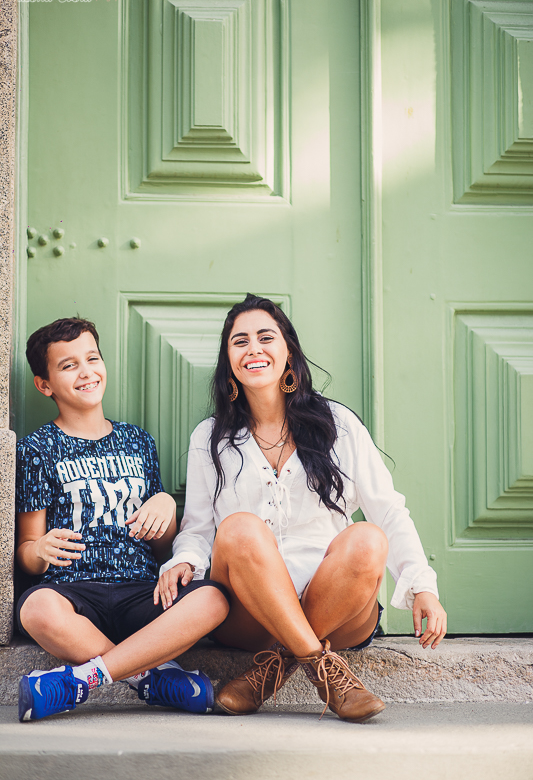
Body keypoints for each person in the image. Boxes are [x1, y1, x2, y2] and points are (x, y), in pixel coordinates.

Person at [155, 294, 447, 723]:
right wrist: (185, 559)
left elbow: (388, 510)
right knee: (237, 529)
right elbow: (198, 528)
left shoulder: (338, 425)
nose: (253, 349)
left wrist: (423, 586)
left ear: (287, 350)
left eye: (265, 337)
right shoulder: (210, 437)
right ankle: (318, 663)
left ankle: (273, 668)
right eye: (239, 342)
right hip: (248, 613)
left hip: (340, 607)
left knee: (368, 538)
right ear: (228, 360)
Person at [15, 317, 230, 722]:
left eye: (92, 358)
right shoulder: (36, 449)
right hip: (73, 590)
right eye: (68, 365)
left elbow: (162, 545)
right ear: (45, 385)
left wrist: (166, 503)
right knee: (36, 610)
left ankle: (85, 679)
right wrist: (39, 549)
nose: (86, 372)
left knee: (214, 599)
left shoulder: (138, 440)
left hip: (141, 589)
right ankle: (150, 678)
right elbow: (25, 552)